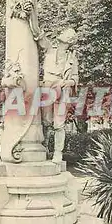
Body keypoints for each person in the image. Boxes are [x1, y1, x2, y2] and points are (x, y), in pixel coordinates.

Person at [39, 28, 79, 164]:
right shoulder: (50, 48)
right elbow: (39, 37)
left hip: (62, 89)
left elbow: (75, 78)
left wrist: (66, 82)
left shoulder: (72, 58)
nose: (63, 33)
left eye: (68, 33)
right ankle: (42, 148)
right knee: (45, 121)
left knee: (59, 124)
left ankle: (57, 153)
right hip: (47, 86)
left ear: (70, 40)